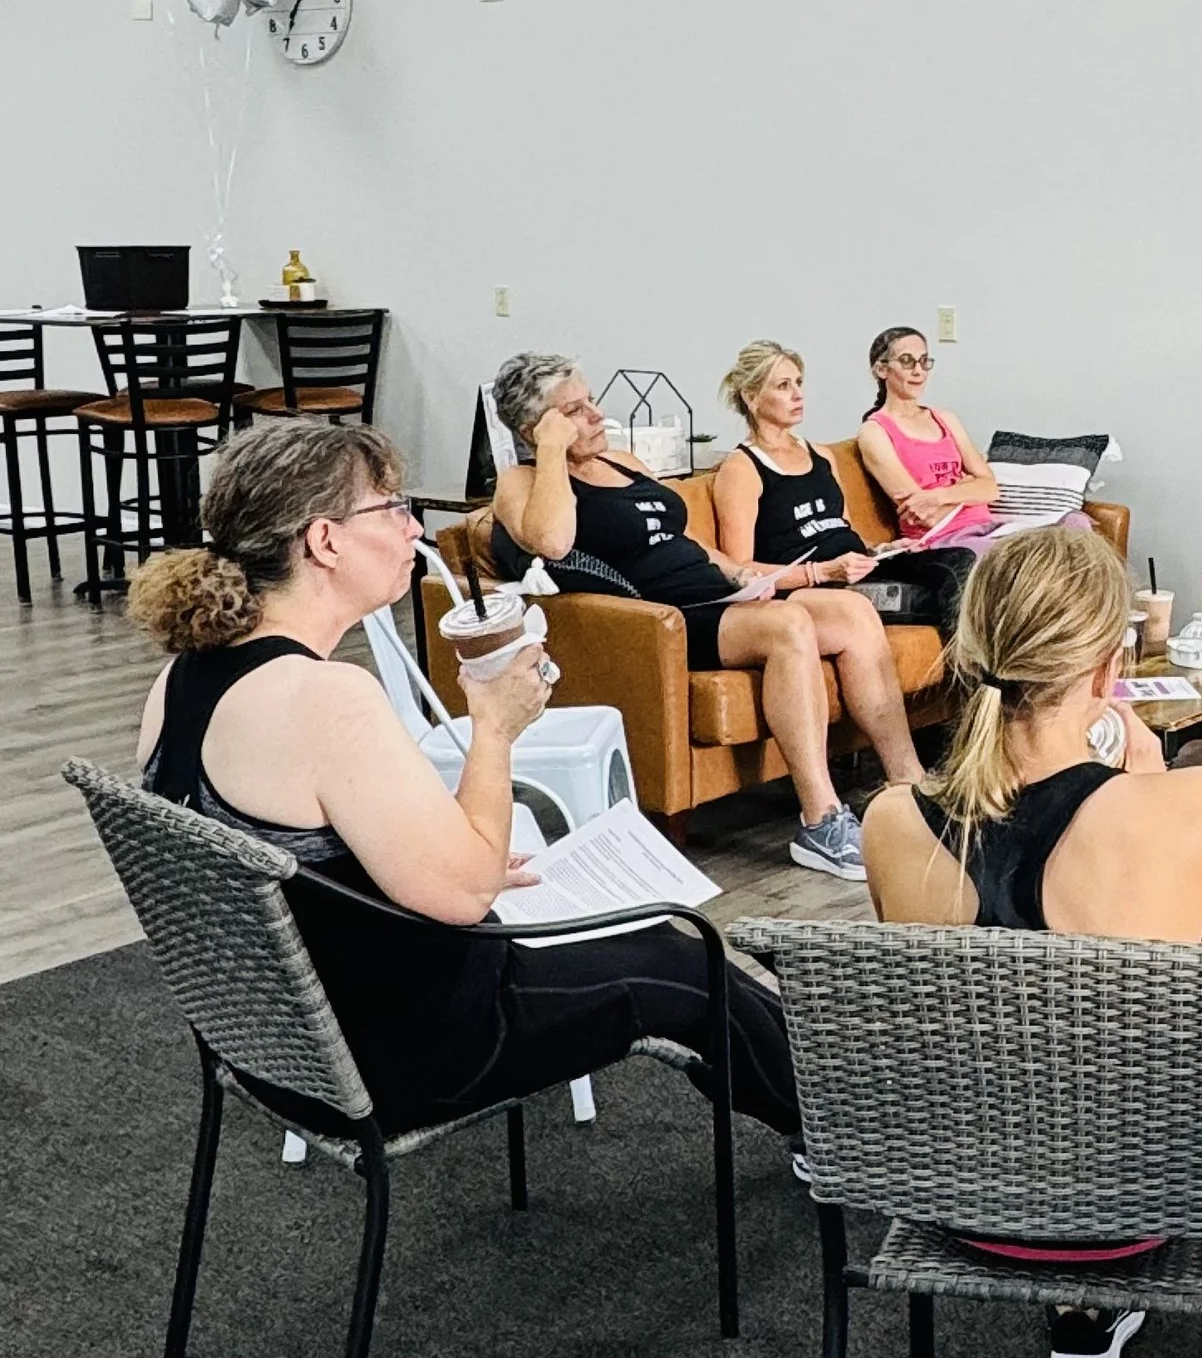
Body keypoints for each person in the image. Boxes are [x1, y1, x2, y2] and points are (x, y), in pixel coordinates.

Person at [130, 418, 798, 1135]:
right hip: (407, 1054)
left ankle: (822, 1093)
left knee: (665, 949)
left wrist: (453, 852)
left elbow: (319, 855)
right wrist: (495, 725)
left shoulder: (182, 678)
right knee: (688, 965)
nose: (411, 525)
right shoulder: (326, 698)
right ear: (324, 540)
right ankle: (843, 1134)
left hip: (274, 1043)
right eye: (389, 507)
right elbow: (465, 894)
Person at [864, 522, 1202, 1358]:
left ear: (971, 653)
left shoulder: (890, 822)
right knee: (1165, 1095)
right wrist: (1150, 791)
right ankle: (1117, 1273)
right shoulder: (1192, 807)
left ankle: (1088, 1309)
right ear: (1105, 670)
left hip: (956, 1198)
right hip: (1137, 1208)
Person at [489, 353, 923, 882]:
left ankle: (909, 786)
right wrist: (552, 449)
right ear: (540, 426)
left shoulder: (627, 462)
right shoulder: (521, 482)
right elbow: (552, 541)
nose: (598, 415)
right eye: (576, 410)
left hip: (716, 595)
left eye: (592, 400)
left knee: (853, 613)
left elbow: (683, 541)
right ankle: (821, 821)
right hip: (668, 619)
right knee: (789, 627)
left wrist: (743, 576)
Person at [710, 337, 972, 640]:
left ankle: (978, 678)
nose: (798, 395)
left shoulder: (821, 456)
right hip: (825, 585)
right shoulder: (741, 469)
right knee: (940, 599)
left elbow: (844, 528)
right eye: (783, 386)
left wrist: (881, 549)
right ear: (751, 397)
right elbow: (740, 568)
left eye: (798, 383)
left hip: (863, 567)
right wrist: (822, 571)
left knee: (960, 563)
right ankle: (974, 682)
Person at [857, 323, 1001, 557]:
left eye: (924, 361)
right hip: (943, 540)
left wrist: (938, 495)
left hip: (986, 530)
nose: (919, 371)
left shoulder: (945, 418)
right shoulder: (875, 431)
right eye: (906, 361)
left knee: (1073, 525)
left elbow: (991, 488)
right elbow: (923, 514)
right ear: (881, 369)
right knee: (1027, 556)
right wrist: (966, 486)